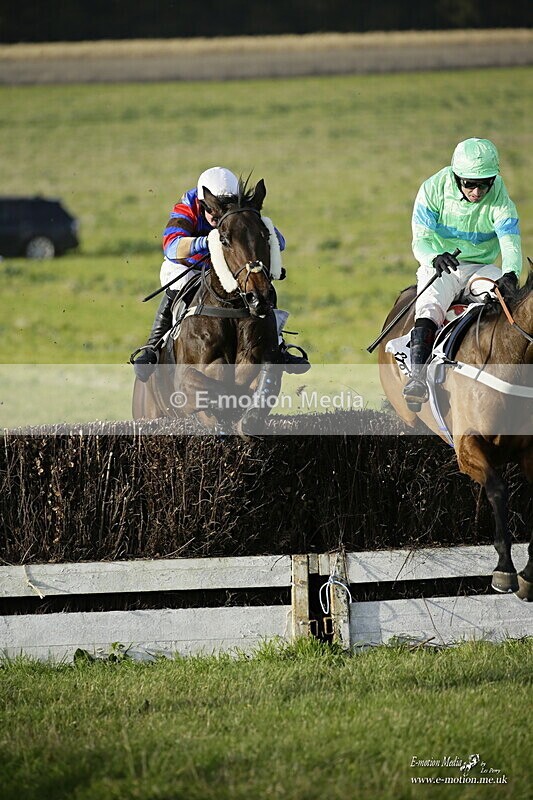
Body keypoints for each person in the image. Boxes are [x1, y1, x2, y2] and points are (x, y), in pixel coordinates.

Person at [131, 166, 309, 381]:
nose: (218, 214)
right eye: (213, 209)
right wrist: (209, 242)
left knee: (262, 286)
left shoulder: (240, 208)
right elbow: (171, 246)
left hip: (229, 268)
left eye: (225, 207)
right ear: (202, 202)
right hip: (191, 266)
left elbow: (279, 242)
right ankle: (153, 345)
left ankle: (278, 346)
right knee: (178, 283)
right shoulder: (188, 205)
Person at [403, 137, 522, 410]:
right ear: (457, 177)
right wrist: (433, 257)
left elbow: (510, 241)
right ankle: (417, 378)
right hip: (441, 266)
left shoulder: (500, 196)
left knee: (501, 302)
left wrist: (511, 273)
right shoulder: (432, 188)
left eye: (485, 183)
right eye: (470, 184)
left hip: (480, 268)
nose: (478, 192)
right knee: (430, 307)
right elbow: (419, 238)